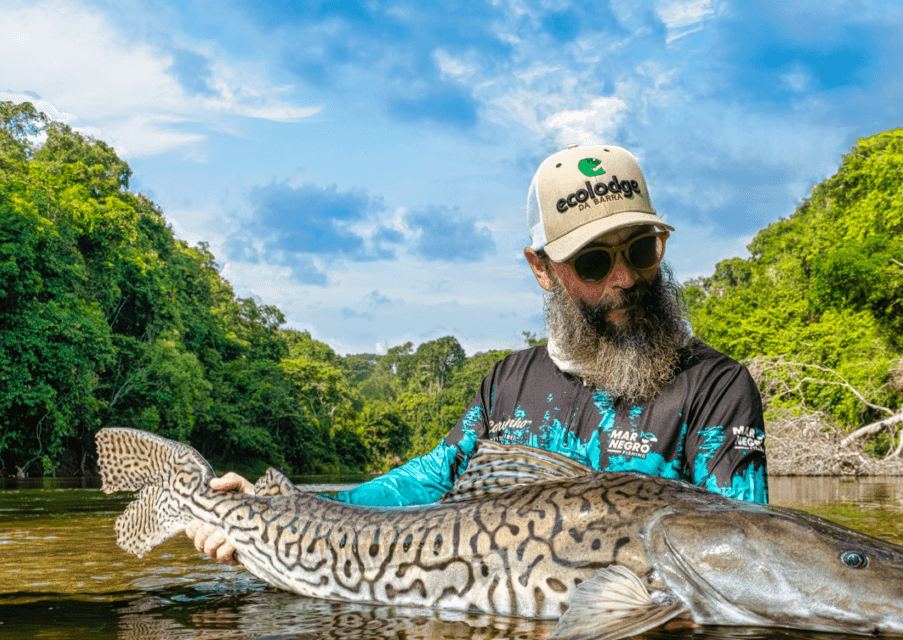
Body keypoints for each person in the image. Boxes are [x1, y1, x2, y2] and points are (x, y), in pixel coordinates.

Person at [191, 144, 766, 564]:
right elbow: (427, 482)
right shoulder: (507, 383)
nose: (624, 278)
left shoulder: (718, 388)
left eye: (641, 250)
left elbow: (741, 548)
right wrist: (282, 510)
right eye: (593, 262)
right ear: (541, 268)